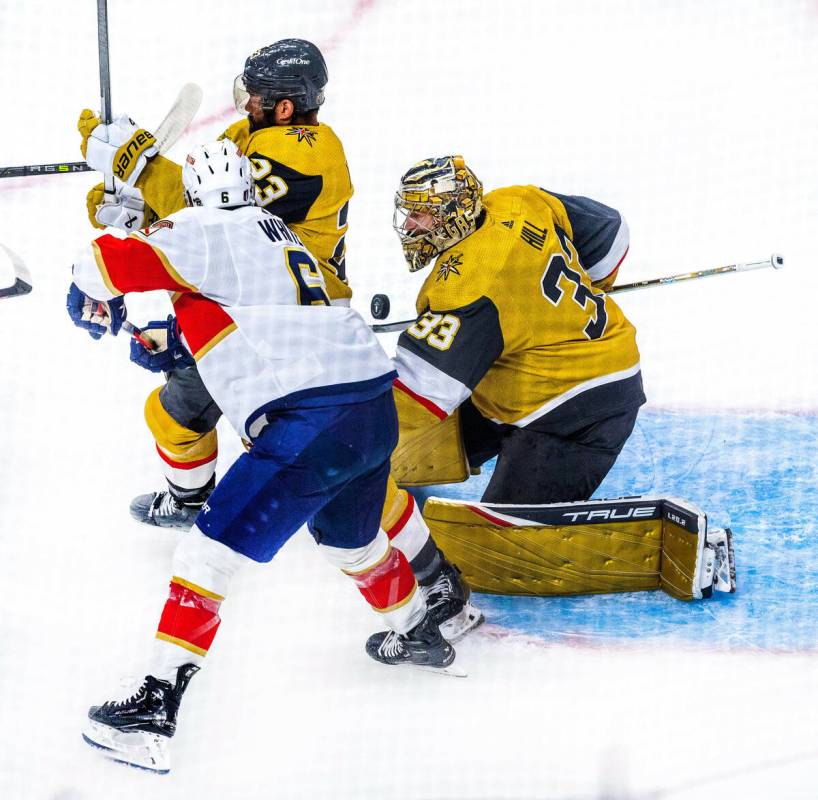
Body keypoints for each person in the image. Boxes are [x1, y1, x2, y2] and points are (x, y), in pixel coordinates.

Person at [68, 142, 457, 774]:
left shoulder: (200, 227)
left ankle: (153, 713)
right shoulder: (279, 233)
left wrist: (99, 270)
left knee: (205, 554)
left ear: (194, 195)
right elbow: (254, 319)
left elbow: (100, 264)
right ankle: (418, 630)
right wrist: (172, 342)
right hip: (369, 407)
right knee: (351, 544)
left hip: (313, 421)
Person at [77, 40, 482, 647]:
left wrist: (138, 166)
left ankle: (436, 579)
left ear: (287, 107)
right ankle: (190, 498)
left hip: (295, 329)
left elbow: (218, 218)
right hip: (248, 309)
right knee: (180, 416)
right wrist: (137, 209)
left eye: (259, 97)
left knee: (344, 470)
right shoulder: (261, 136)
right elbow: (211, 195)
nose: (248, 104)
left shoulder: (310, 150)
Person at [390, 155, 644, 505]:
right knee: (400, 451)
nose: (409, 225)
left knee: (499, 541)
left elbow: (420, 391)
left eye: (419, 214)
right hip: (535, 372)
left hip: (579, 405)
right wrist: (592, 285)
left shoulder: (466, 288)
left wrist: (339, 417)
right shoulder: (518, 200)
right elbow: (609, 230)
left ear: (451, 214)